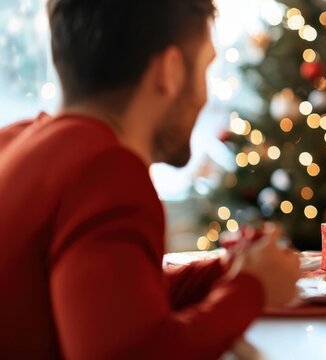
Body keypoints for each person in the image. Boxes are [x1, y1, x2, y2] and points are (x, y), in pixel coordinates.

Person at [0, 1, 301, 358]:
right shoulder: (105, 171)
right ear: (170, 71)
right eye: (205, 68)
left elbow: (110, 306)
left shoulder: (16, 141)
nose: (205, 96)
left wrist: (222, 271)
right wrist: (250, 289)